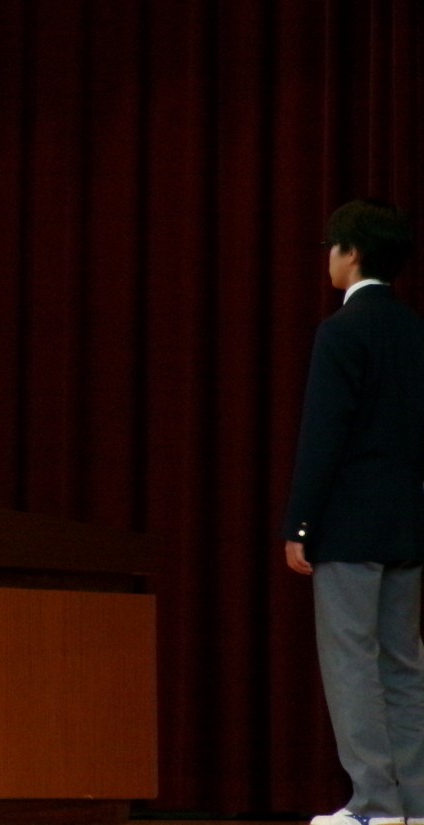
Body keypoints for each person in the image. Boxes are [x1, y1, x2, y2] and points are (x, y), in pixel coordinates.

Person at [283, 199, 423, 825]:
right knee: (404, 665)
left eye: (331, 248)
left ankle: (373, 804)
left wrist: (299, 524)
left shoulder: (341, 331)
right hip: (407, 524)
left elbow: (323, 437)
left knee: (352, 664)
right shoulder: (415, 331)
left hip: (348, 527)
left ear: (352, 253)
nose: (328, 259)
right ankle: (415, 801)